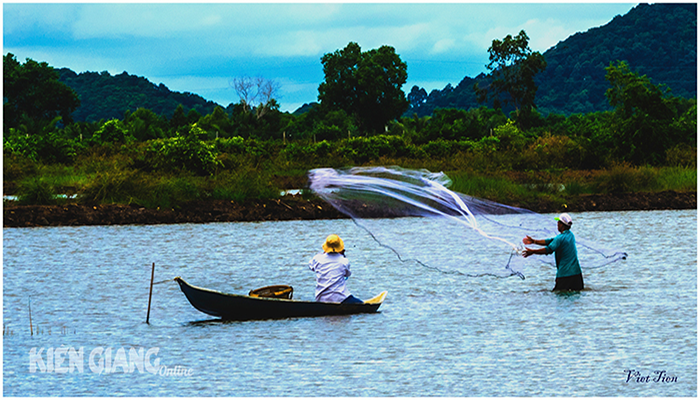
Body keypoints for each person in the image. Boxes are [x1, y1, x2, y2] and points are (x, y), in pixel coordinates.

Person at [522, 213, 584, 291]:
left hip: (565, 274)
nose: (557, 224)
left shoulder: (560, 238)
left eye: (558, 222)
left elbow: (549, 249)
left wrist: (533, 251)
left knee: (558, 294)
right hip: (577, 274)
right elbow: (551, 241)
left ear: (562, 225)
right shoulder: (570, 235)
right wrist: (534, 241)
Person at [308, 234, 363, 304]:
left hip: (321, 298)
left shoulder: (317, 258)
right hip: (341, 297)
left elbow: (311, 266)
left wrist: (322, 254)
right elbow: (347, 274)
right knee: (361, 303)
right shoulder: (344, 261)